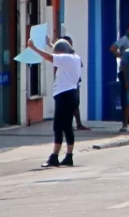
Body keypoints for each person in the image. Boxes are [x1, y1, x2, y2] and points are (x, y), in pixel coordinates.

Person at [27, 37, 80, 167]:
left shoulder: (65, 59)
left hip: (64, 96)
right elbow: (58, 53)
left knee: (58, 127)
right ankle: (69, 156)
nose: (56, 54)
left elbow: (50, 57)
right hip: (72, 94)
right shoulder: (75, 58)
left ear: (61, 51)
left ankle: (54, 157)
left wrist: (33, 48)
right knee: (67, 127)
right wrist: (50, 43)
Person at [60, 35, 91, 132]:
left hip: (75, 82)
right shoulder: (61, 55)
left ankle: (78, 124)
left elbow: (80, 64)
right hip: (66, 83)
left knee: (75, 104)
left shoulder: (72, 54)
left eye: (71, 44)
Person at [110, 22, 129, 128]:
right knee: (127, 96)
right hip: (125, 72)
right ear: (127, 30)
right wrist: (121, 56)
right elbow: (113, 48)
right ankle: (126, 121)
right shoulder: (124, 40)